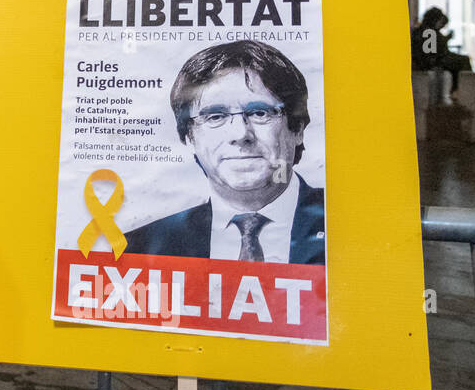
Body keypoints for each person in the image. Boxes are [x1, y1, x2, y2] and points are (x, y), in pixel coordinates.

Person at [123, 40, 325, 264]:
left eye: (260, 113)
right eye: (215, 116)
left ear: (297, 128)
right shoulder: (139, 249)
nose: (240, 134)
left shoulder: (348, 221)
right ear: (189, 137)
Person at [410, 6, 471, 95]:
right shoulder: (430, 31)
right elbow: (436, 50)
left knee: (458, 61)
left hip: (429, 60)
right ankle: (464, 89)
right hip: (432, 61)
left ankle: (456, 88)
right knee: (463, 60)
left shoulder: (422, 29)